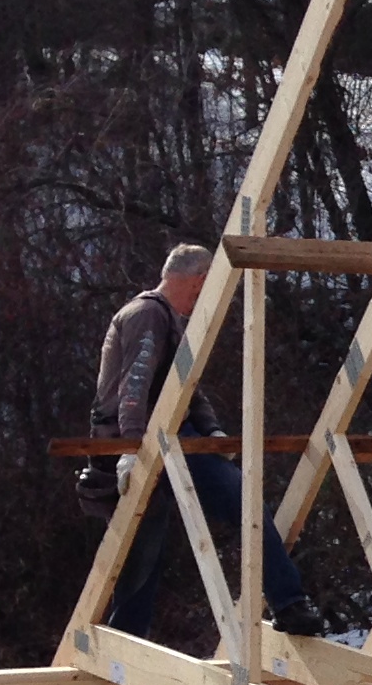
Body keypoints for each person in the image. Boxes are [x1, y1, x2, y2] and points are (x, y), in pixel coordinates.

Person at [96, 245, 322, 639]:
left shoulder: (166, 318)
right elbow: (134, 387)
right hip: (152, 438)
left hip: (162, 437)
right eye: (203, 289)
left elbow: (186, 387)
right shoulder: (148, 315)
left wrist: (212, 431)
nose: (201, 299)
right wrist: (131, 449)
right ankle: (289, 603)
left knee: (144, 547)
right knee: (240, 503)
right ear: (198, 281)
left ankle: (127, 639)